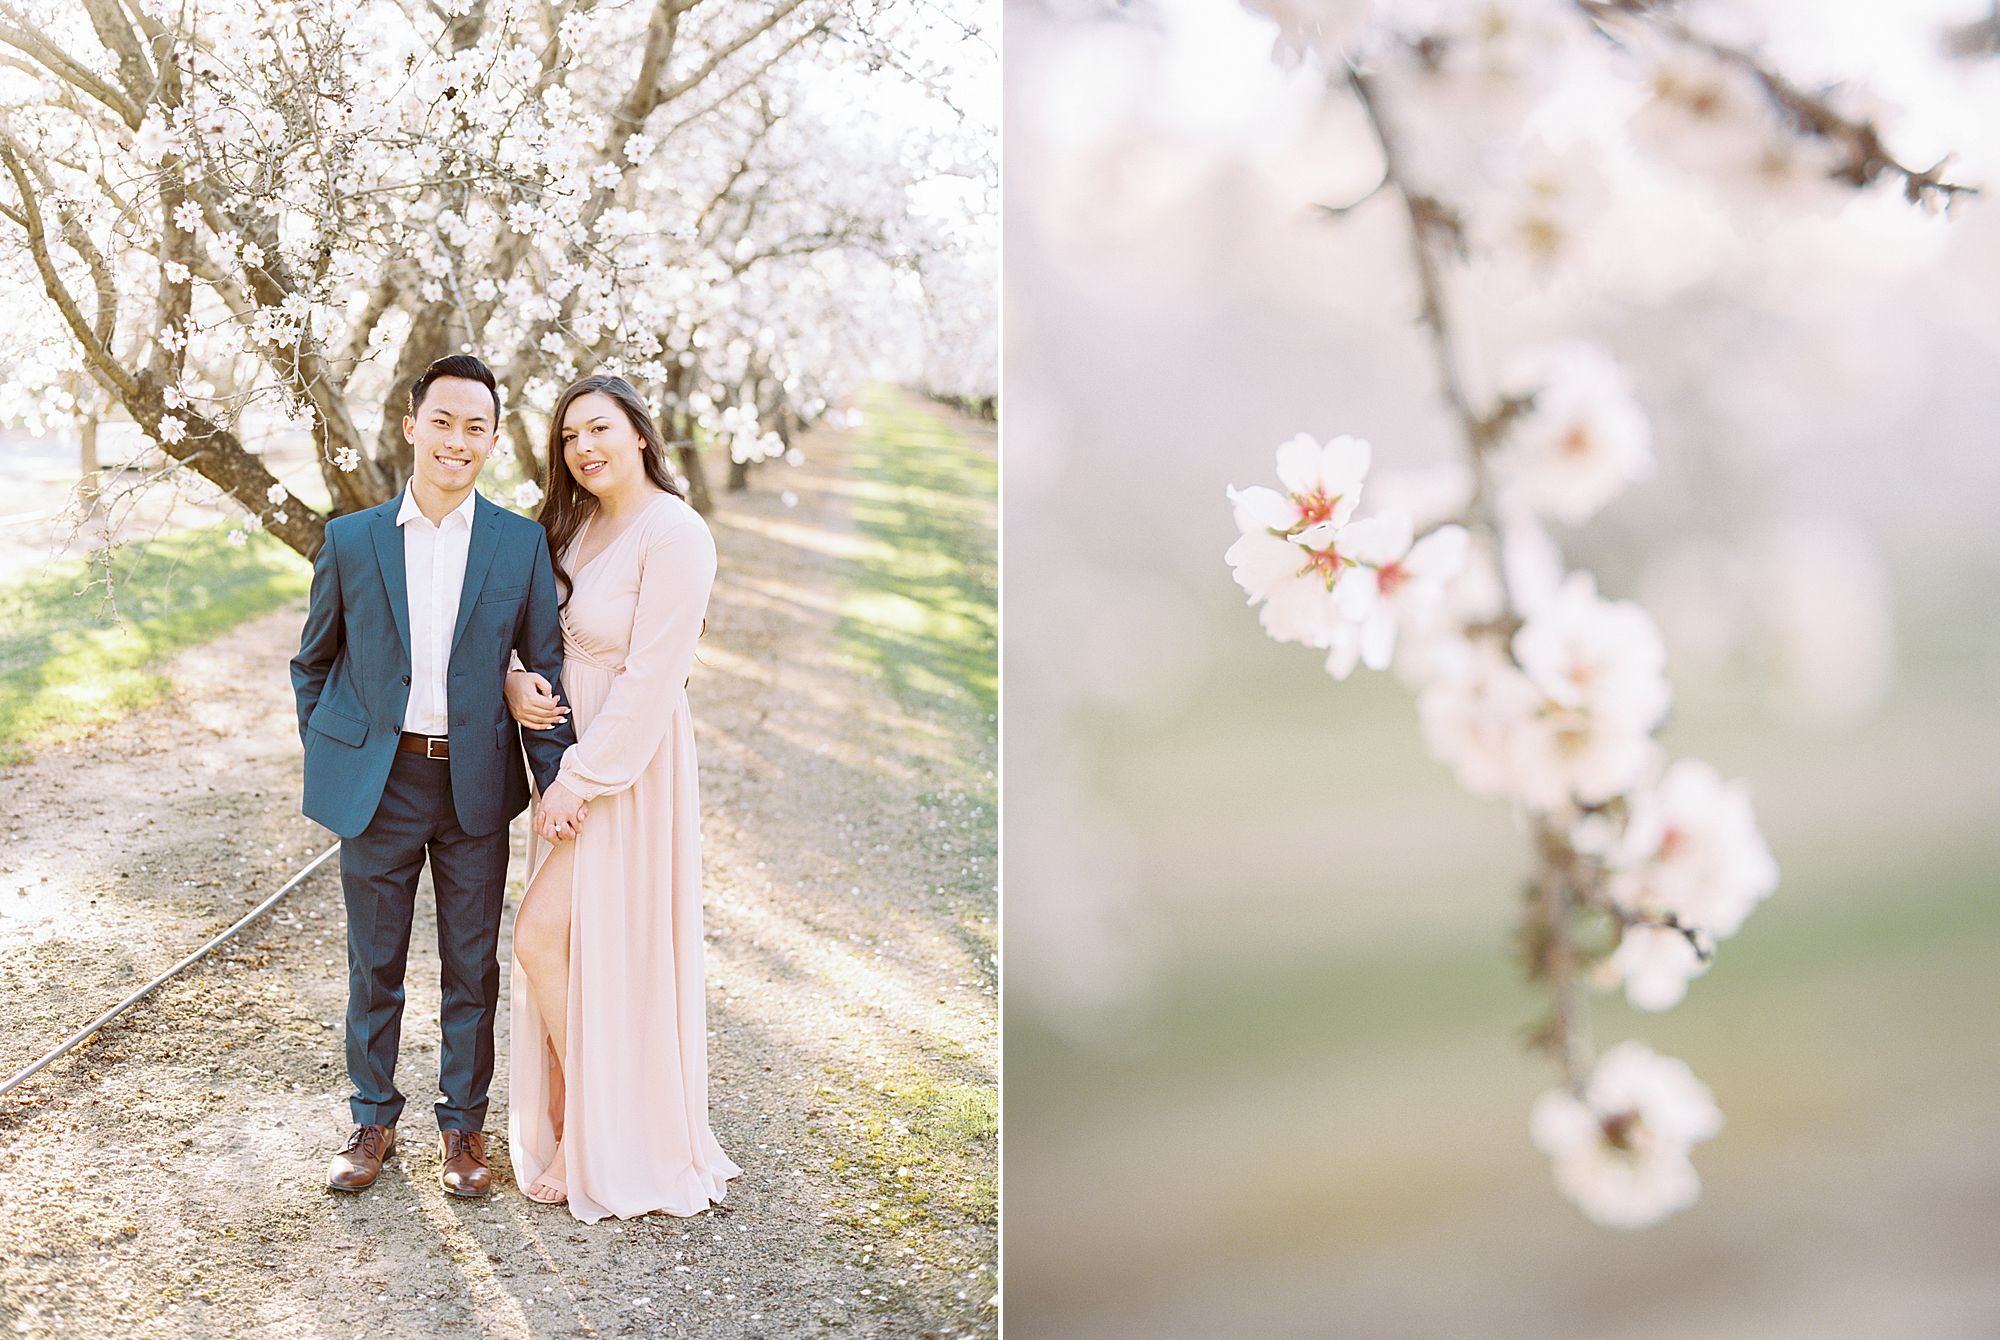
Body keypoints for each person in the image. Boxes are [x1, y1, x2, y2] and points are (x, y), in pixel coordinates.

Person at [290, 354, 577, 1199]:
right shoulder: (350, 539)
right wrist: (336, 750)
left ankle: (464, 1129)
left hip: (476, 787)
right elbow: (313, 662)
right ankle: (372, 1117)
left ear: (493, 440)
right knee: (372, 963)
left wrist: (555, 786)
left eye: (476, 427)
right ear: (411, 425)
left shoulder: (518, 543)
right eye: (443, 422)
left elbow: (544, 671)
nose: (458, 441)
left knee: (470, 966)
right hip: (379, 785)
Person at [502, 374, 741, 1220]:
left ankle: (594, 1132)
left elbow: (650, 679)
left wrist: (581, 779)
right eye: (569, 437)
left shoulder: (676, 534)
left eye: (598, 429)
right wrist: (515, 680)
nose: (584, 449)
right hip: (566, 752)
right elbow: (530, 626)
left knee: (540, 937)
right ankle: (577, 1119)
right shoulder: (571, 523)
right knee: (566, 947)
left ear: (640, 432)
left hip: (621, 766)